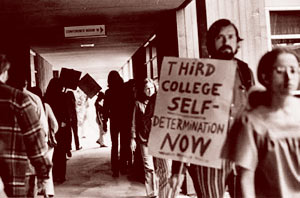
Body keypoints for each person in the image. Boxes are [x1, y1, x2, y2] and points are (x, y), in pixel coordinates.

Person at [171, 18, 255, 198]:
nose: (226, 42)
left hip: (241, 153)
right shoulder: (197, 74)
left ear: (237, 42)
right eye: (220, 38)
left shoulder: (245, 71)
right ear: (211, 43)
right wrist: (178, 169)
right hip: (207, 155)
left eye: (231, 37)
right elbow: (184, 122)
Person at [222, 47, 300, 197]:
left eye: (293, 70)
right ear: (265, 77)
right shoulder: (251, 122)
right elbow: (246, 177)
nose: (288, 78)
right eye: (280, 71)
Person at [0, 54, 51, 197]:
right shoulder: (18, 99)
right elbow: (34, 139)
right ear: (4, 73)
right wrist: (43, 174)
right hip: (11, 176)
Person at [130, 78, 158, 198]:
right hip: (144, 139)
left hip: (158, 139)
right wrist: (132, 138)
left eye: (151, 88)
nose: (149, 90)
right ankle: (152, 194)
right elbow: (134, 122)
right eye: (147, 88)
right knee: (149, 167)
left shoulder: (159, 102)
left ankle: (160, 191)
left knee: (159, 167)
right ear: (143, 90)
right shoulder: (138, 103)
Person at [29, 86, 59, 198]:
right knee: (47, 166)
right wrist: (52, 133)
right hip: (47, 142)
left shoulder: (30, 105)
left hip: (33, 141)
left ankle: (37, 191)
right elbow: (55, 124)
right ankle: (48, 192)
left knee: (33, 168)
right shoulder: (46, 106)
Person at [103, 70, 132, 177]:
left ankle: (115, 169)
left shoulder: (108, 92)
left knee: (114, 145)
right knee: (124, 144)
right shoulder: (126, 89)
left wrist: (105, 122)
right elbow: (130, 104)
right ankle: (123, 167)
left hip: (114, 121)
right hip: (125, 120)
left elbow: (105, 109)